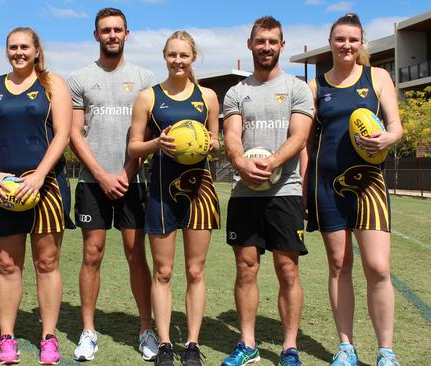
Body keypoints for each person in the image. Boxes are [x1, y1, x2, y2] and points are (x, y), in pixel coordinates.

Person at [304, 13, 403, 366]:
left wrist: (388, 138)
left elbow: (395, 127)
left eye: (353, 40)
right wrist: (304, 188)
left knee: (377, 267)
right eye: (340, 39)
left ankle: (386, 352)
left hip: (369, 184)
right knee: (338, 264)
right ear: (330, 42)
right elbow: (306, 144)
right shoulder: (316, 87)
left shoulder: (377, 77)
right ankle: (346, 346)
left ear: (361, 44)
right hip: (327, 186)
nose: (347, 45)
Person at [0, 27, 74, 365]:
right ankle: (7, 338)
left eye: (24, 47)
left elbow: (63, 134)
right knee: (6, 265)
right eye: (12, 47)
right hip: (4, 188)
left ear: (36, 50)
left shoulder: (53, 84)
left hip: (45, 185)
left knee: (46, 263)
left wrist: (40, 175)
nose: (18, 52)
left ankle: (48, 337)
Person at [220, 16, 314, 366]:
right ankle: (248, 344)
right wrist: (240, 161)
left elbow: (300, 136)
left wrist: (272, 162)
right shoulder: (236, 92)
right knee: (246, 269)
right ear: (250, 44)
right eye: (260, 41)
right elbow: (231, 134)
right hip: (245, 194)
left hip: (285, 193)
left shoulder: (297, 88)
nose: (266, 47)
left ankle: (289, 348)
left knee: (288, 270)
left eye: (273, 41)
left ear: (282, 46)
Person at [67, 7, 159, 362]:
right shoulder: (80, 78)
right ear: (96, 35)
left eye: (117, 30)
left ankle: (145, 329)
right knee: (92, 254)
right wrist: (103, 175)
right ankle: (88, 331)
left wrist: (125, 171)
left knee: (137, 255)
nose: (112, 35)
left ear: (127, 34)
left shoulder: (144, 78)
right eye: (105, 30)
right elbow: (75, 133)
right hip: (93, 181)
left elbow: (148, 133)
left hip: (132, 181)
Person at [128, 30, 220, 366]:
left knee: (195, 270)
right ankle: (165, 344)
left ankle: (192, 344)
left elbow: (216, 141)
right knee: (163, 271)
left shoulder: (207, 96)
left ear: (193, 57)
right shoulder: (148, 98)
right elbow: (134, 146)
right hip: (162, 192)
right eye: (172, 55)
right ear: (164, 57)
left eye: (184, 55)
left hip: (199, 190)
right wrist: (157, 145)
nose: (178, 61)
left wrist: (209, 143)